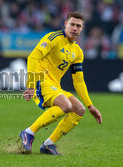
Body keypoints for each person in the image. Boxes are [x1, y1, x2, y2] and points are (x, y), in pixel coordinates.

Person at [20, 11, 102, 155]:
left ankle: (48, 144)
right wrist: (31, 85)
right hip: (40, 80)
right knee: (66, 105)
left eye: (78, 26)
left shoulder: (77, 51)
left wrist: (90, 105)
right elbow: (33, 57)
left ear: (82, 28)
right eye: (72, 24)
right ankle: (29, 132)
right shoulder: (53, 38)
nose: (74, 28)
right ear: (65, 24)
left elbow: (78, 80)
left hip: (54, 85)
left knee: (79, 109)